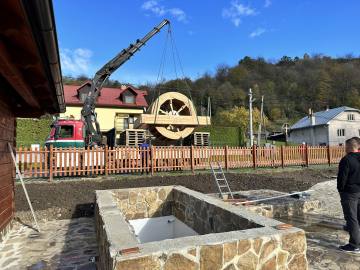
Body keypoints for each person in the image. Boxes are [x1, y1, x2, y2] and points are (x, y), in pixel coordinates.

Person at [337, 137, 360, 253]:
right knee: (358, 217)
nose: (344, 148)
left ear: (350, 146)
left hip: (350, 193)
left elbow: (342, 179)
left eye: (345, 146)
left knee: (352, 218)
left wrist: (340, 190)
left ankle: (354, 245)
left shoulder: (346, 160)